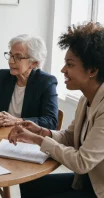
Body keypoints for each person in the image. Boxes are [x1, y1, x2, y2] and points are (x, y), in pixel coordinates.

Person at [8, 22, 104, 198]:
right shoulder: (86, 100)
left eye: (70, 64)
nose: (63, 70)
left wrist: (37, 140)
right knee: (31, 185)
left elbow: (81, 162)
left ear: (92, 70)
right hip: (87, 181)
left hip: (99, 189)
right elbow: (68, 137)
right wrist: (42, 131)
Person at [0, 34, 58, 129]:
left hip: (29, 138)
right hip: (3, 135)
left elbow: (51, 121)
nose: (10, 61)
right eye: (10, 55)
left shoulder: (46, 82)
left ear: (34, 63)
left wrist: (17, 121)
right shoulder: (3, 76)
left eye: (18, 57)